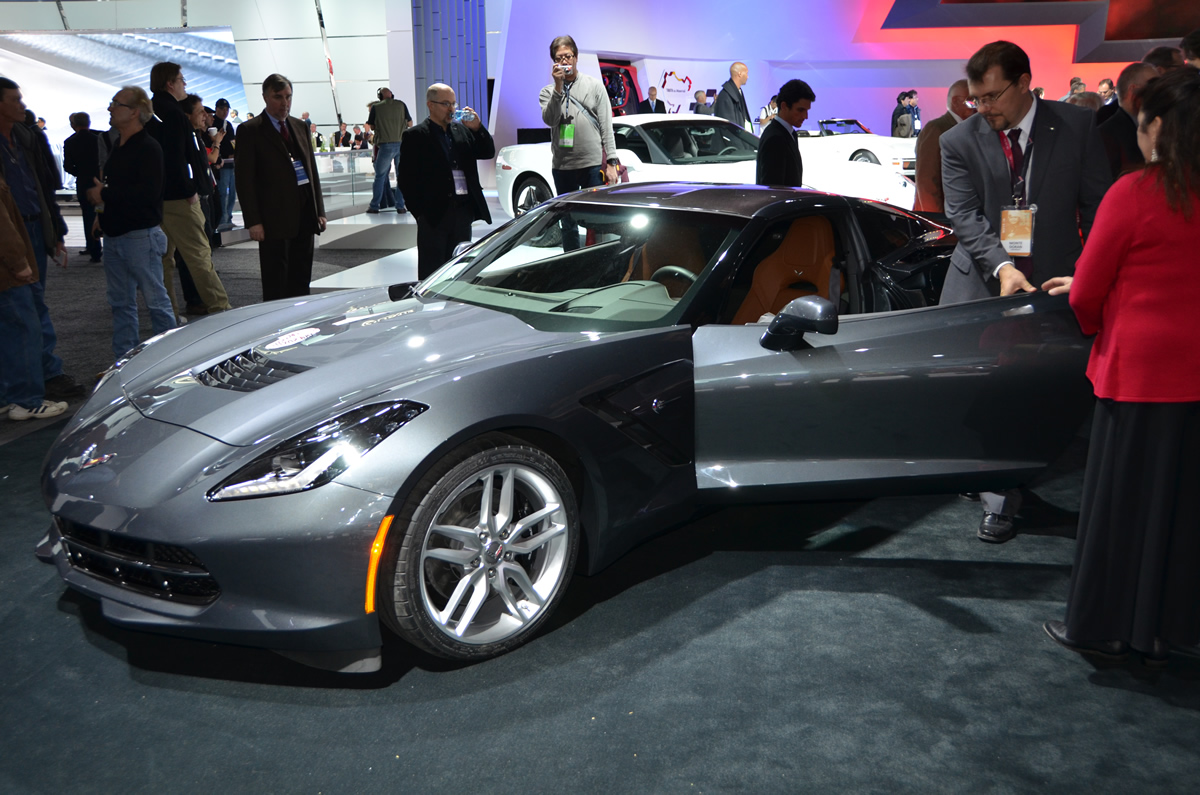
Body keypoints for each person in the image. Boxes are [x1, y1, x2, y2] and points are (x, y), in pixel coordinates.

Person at [1041, 67, 1200, 667]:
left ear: (1156, 125)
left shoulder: (1134, 192)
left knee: (1119, 507)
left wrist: (1086, 303)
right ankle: (1170, 626)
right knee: (1182, 511)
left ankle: (1103, 625)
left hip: (1137, 373)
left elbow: (1089, 294)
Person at [938, 40, 1112, 543]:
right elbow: (964, 216)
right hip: (983, 283)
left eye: (992, 97)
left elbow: (1098, 204)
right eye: (976, 99)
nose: (983, 108)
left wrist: (1086, 270)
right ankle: (998, 492)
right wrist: (1001, 267)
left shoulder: (1076, 125)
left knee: (1034, 392)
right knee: (987, 391)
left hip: (1053, 281)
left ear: (1024, 82)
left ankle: (1004, 478)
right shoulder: (958, 140)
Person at [0, 77, 85, 402]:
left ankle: (44, 374)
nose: (22, 105)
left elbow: (42, 184)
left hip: (34, 227)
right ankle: (24, 391)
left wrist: (56, 231)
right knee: (19, 310)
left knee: (33, 305)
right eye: (14, 99)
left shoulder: (23, 138)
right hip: (11, 233)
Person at [87, 86, 175, 363]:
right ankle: (124, 361)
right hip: (115, 234)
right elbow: (109, 185)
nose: (111, 108)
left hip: (139, 235)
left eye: (116, 104)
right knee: (120, 304)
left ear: (135, 111)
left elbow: (147, 194)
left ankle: (172, 361)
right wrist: (101, 213)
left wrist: (104, 196)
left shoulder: (149, 148)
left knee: (156, 302)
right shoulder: (118, 145)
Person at [147, 61, 231, 317]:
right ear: (170, 83)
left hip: (161, 197)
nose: (185, 84)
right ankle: (222, 309)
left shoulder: (153, 110)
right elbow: (174, 158)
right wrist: (188, 190)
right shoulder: (172, 113)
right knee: (198, 255)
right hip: (179, 199)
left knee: (165, 259)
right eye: (182, 79)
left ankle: (168, 313)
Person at [234, 73, 327, 301]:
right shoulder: (250, 130)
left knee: (301, 277)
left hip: (304, 215)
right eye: (278, 97)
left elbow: (311, 172)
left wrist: (319, 211)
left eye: (288, 96)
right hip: (273, 218)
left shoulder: (299, 126)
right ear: (265, 97)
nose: (285, 102)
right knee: (276, 280)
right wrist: (254, 221)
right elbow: (245, 180)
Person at [398, 83, 494, 280]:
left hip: (462, 211)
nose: (451, 109)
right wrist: (420, 213)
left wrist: (477, 128)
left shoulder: (462, 131)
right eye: (445, 104)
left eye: (453, 103)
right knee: (432, 271)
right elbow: (406, 179)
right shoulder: (415, 136)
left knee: (459, 270)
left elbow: (487, 152)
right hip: (433, 214)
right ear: (430, 105)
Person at [1, 171, 66, 420]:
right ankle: (26, 400)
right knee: (24, 332)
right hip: (7, 274)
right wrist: (19, 263)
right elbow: (4, 229)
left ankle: (7, 396)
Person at [539, 34, 619, 200]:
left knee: (595, 218)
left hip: (593, 165)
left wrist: (612, 163)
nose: (564, 61)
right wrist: (558, 87)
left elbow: (606, 126)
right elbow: (550, 120)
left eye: (568, 56)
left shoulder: (595, 86)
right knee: (568, 221)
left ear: (576, 57)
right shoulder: (547, 92)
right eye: (559, 58)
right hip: (562, 166)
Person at [913, 80, 975, 213]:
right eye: (972, 101)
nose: (978, 107)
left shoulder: (970, 129)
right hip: (940, 221)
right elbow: (927, 182)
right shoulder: (936, 129)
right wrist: (936, 223)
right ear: (956, 101)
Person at [1098, 62, 1157, 179]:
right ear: (1133, 91)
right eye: (1153, 85)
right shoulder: (1106, 134)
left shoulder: (1157, 123)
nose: (1159, 91)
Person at [755, 80, 814, 187]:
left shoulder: (788, 134)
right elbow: (773, 190)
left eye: (807, 110)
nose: (805, 116)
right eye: (800, 110)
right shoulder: (775, 138)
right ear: (784, 106)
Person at [62, 111, 103, 261]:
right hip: (99, 182)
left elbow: (67, 166)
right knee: (101, 212)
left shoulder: (70, 142)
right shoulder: (98, 139)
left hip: (83, 183)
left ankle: (93, 248)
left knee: (88, 215)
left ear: (73, 125)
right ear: (89, 123)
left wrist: (79, 172)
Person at [365, 87, 412, 214]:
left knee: (380, 176)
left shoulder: (376, 107)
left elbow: (372, 126)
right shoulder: (401, 105)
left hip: (385, 145)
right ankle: (400, 206)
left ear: (380, 97)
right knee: (401, 176)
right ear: (392, 95)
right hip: (401, 144)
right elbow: (410, 124)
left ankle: (374, 206)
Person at [212, 98, 237, 231]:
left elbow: (232, 142)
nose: (225, 111)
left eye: (227, 109)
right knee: (223, 192)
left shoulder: (228, 124)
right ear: (217, 109)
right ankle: (223, 219)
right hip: (221, 164)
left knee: (231, 192)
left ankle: (228, 218)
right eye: (222, 109)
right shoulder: (213, 123)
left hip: (230, 163)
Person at [713, 62, 752, 131]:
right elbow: (727, 127)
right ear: (739, 74)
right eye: (746, 73)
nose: (747, 76)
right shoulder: (726, 95)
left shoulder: (737, 92)